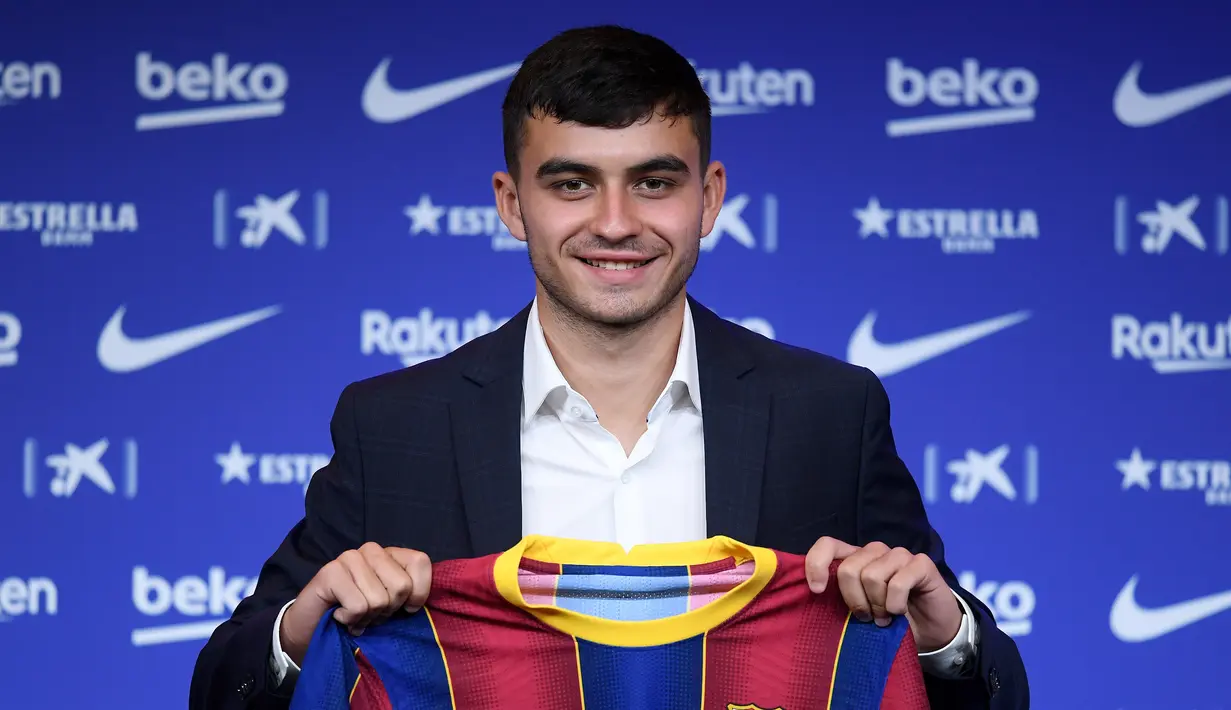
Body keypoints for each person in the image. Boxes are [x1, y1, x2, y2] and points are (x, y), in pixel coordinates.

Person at [189, 24, 1028, 710]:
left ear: (711, 197)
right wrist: (305, 627)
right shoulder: (396, 423)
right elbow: (222, 691)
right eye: (573, 184)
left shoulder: (828, 411)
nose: (617, 222)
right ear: (512, 203)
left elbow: (989, 691)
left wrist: (941, 634)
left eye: (655, 181)